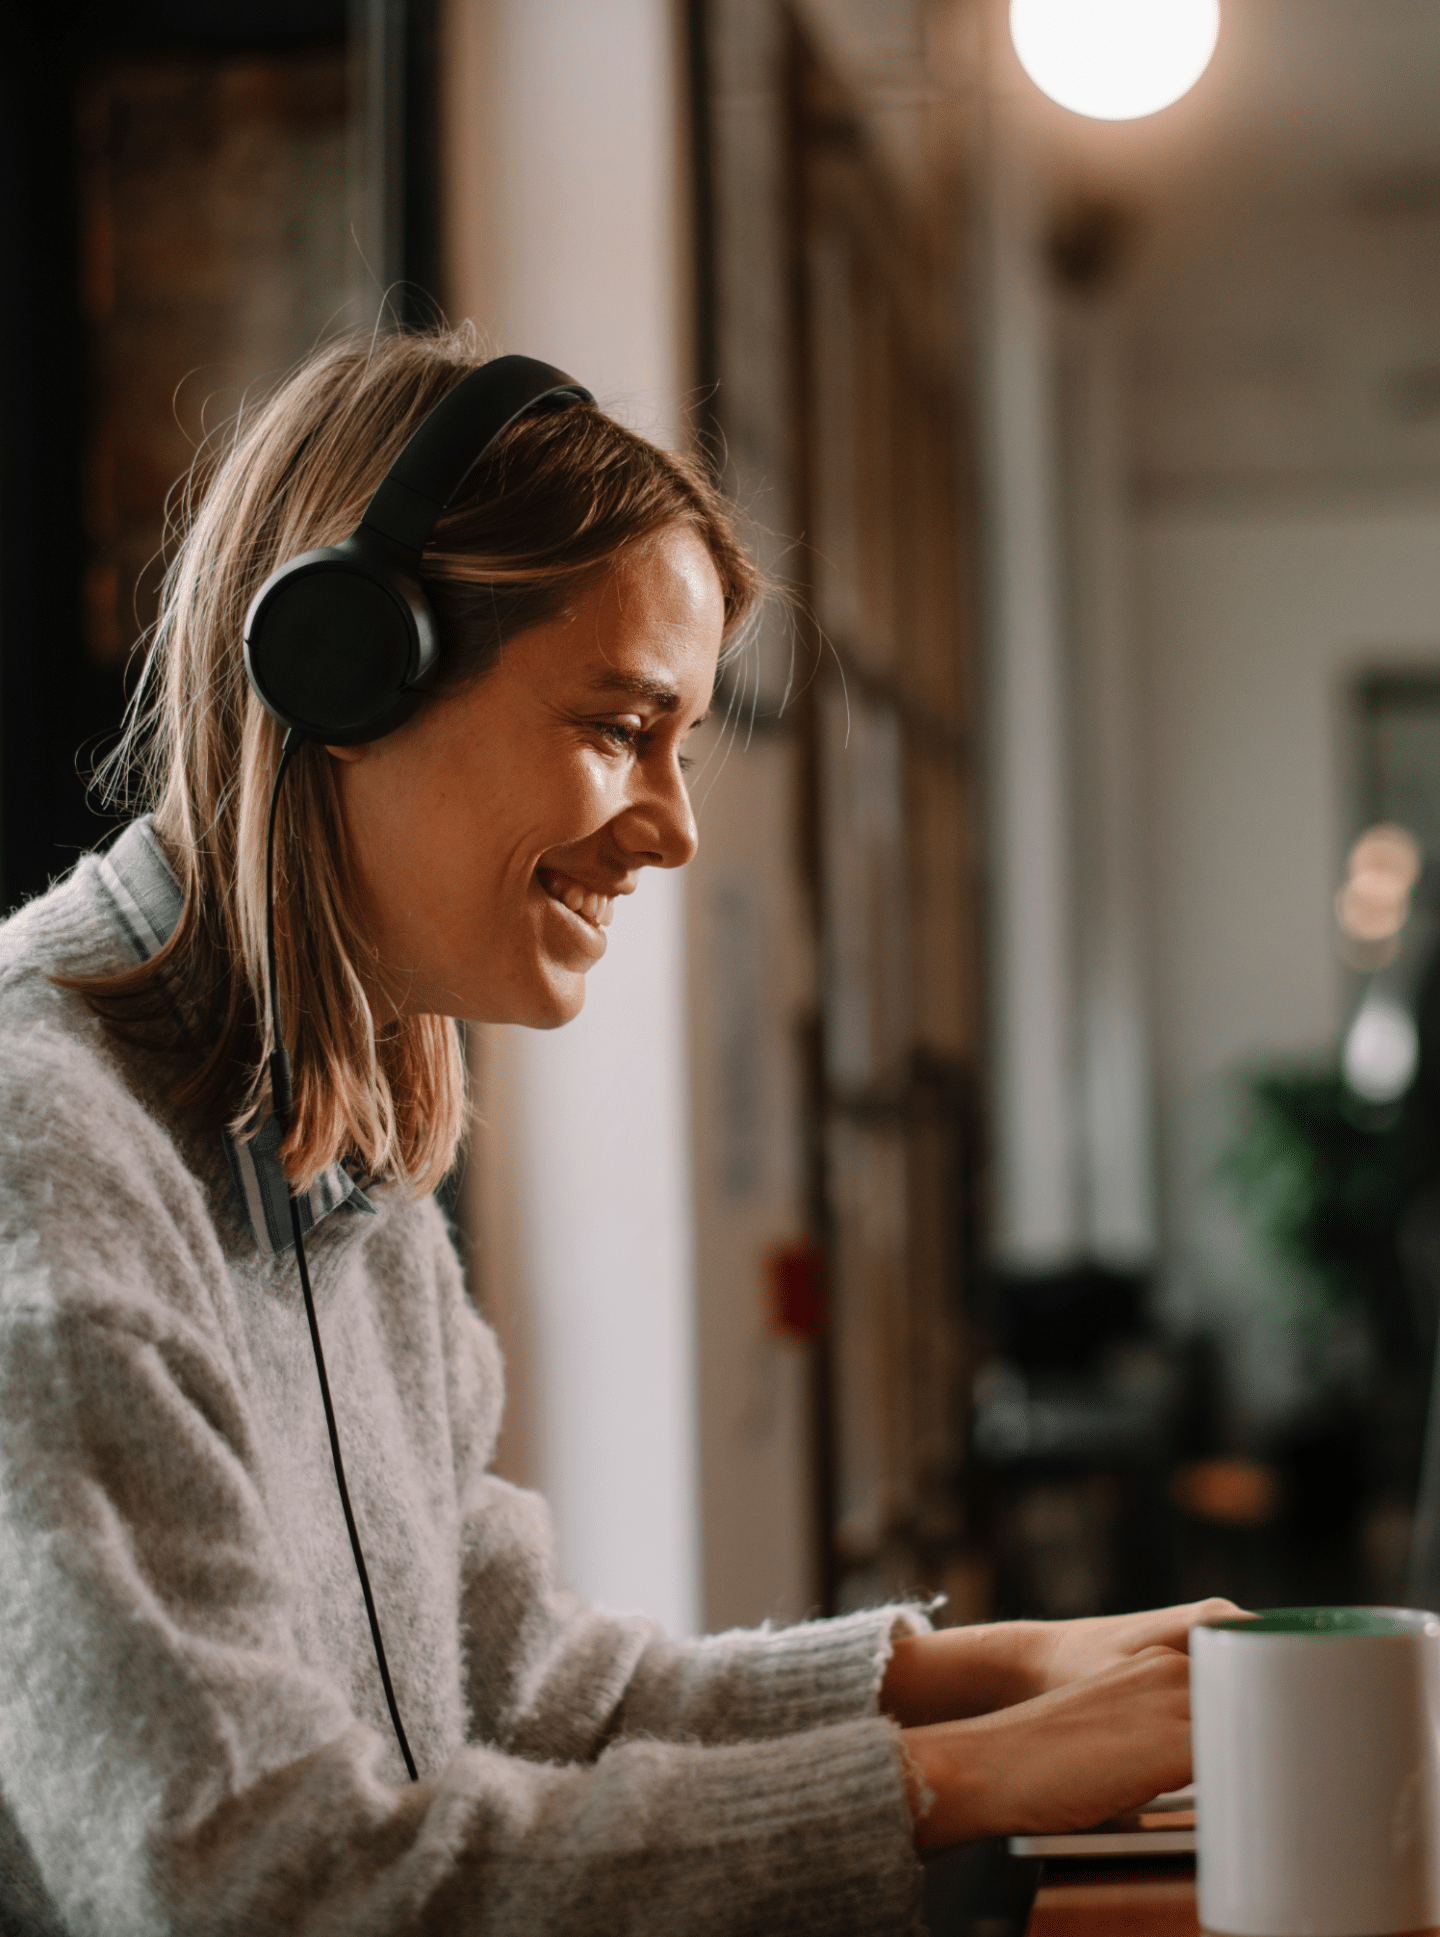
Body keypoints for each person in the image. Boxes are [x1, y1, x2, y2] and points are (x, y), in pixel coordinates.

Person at [0, 326, 1229, 1935]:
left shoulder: (320, 1151)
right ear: (343, 670)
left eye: (685, 744)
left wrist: (1007, 1671)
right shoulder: (47, 1161)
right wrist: (972, 1778)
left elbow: (526, 1689)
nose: (675, 826)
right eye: (617, 727)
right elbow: (250, 1881)